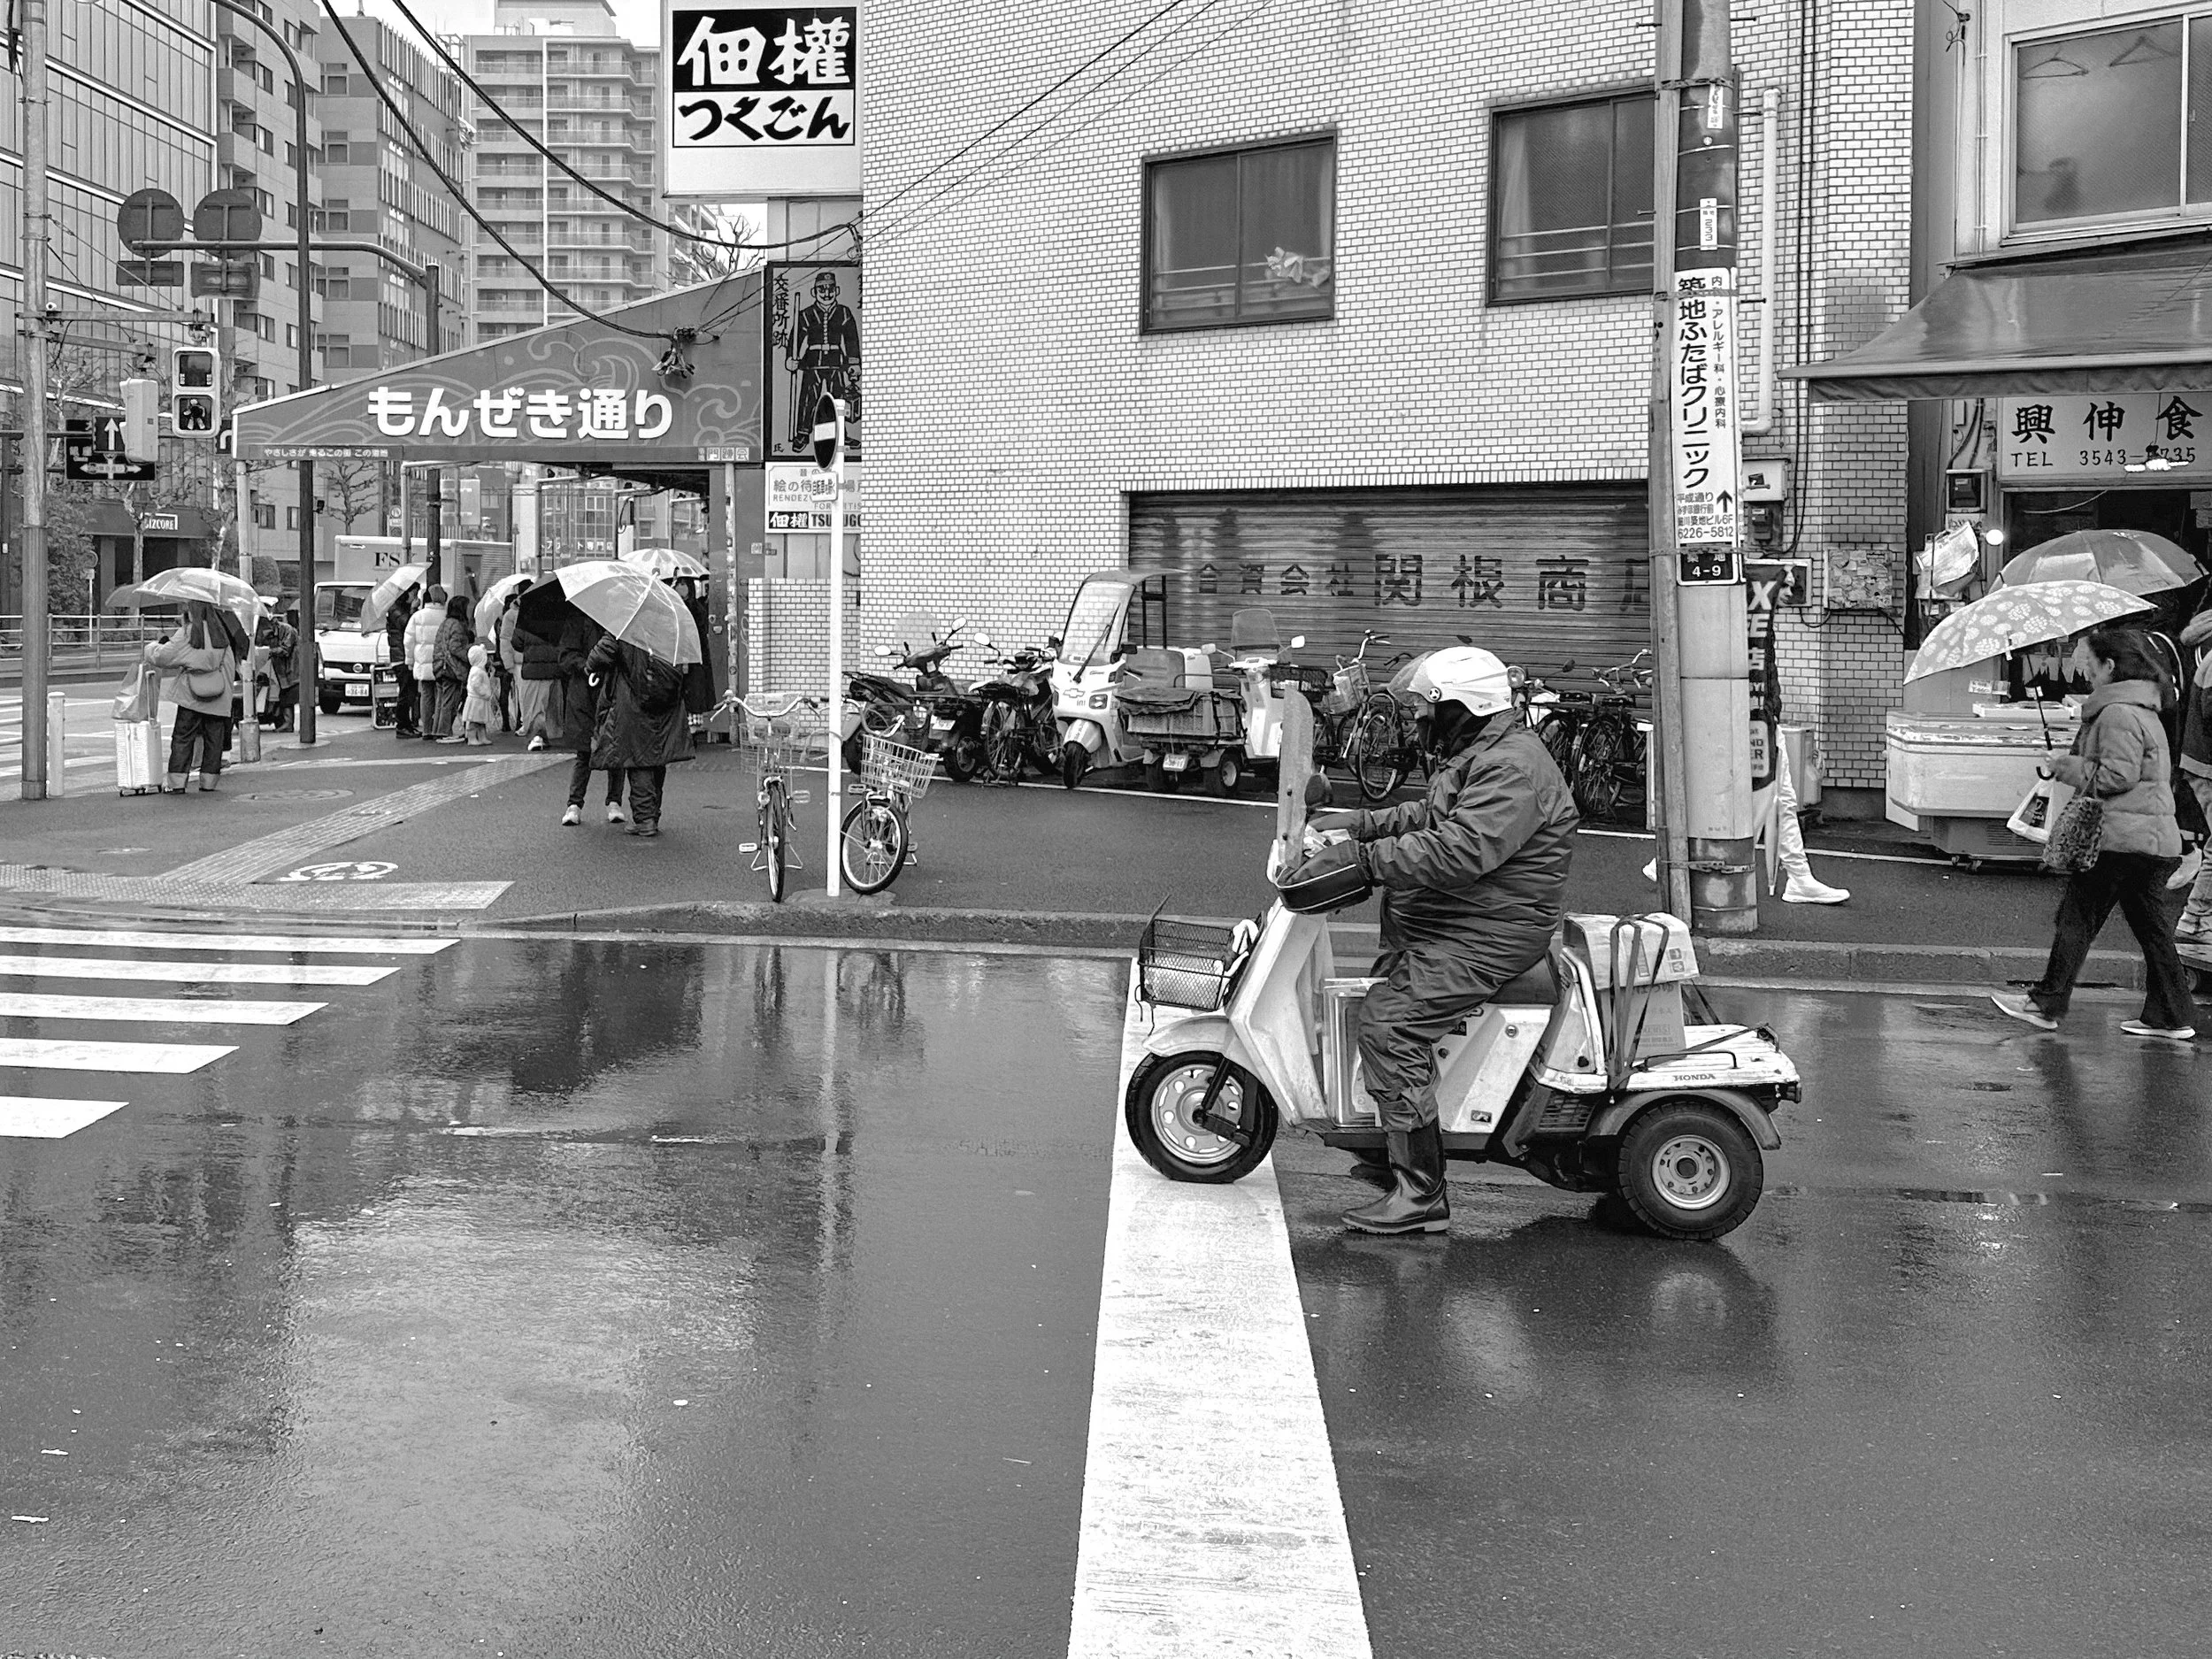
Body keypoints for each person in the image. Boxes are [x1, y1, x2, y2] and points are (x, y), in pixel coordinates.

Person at [1284, 646, 1579, 1234]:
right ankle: (1392, 1150)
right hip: (1457, 920)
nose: (1418, 721)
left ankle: (1421, 1193)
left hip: (1487, 933)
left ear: (1463, 708)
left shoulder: (1514, 765)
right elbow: (1430, 816)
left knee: (1389, 1025)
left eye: (1426, 710)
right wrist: (1357, 822)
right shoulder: (1480, 753)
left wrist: (1365, 861)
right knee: (1373, 1006)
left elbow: (1460, 849)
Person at [1993, 626, 2196, 1041]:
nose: (2084, 671)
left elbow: (2117, 776)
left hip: (2121, 837)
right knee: (2152, 931)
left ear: (2110, 666)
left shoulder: (2118, 712)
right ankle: (2171, 1016)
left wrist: (2069, 767)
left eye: (2089, 663)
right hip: (2148, 838)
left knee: (2077, 918)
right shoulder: (2140, 707)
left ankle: (2045, 1003)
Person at [586, 631, 695, 838]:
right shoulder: (670, 626)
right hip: (666, 702)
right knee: (656, 758)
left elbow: (598, 657)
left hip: (632, 702)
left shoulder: (625, 627)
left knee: (638, 760)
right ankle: (653, 814)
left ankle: (645, 820)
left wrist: (591, 666)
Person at [143, 601, 238, 794]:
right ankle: (209, 782)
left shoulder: (188, 633)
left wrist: (152, 646)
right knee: (214, 741)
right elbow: (229, 667)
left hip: (191, 696)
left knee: (182, 738)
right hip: (218, 696)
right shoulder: (221, 635)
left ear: (191, 611)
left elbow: (163, 657)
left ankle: (177, 783)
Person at [556, 612, 626, 826]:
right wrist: (586, 666)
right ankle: (574, 805)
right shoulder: (577, 620)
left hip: (611, 688)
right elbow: (565, 657)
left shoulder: (618, 621)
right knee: (584, 751)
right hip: (584, 693)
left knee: (614, 748)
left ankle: (614, 802)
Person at [2175, 606, 2212, 943]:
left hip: (2199, 760)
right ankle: (2194, 919)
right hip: (2208, 764)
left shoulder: (2203, 644)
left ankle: (2197, 919)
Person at [512, 595, 562, 751]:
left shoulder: (526, 621)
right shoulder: (557, 620)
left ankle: (537, 736)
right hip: (553, 670)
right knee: (550, 707)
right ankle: (547, 735)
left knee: (534, 708)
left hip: (532, 670)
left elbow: (516, 642)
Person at [405, 585, 447, 738]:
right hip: (441, 662)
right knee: (441, 695)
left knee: (426, 695)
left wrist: (409, 660)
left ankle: (427, 729)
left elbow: (408, 641)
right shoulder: (446, 615)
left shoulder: (418, 616)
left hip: (423, 662)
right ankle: (439, 728)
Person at [430, 594, 472, 744]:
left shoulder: (446, 623)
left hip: (439, 666)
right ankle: (444, 731)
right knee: (450, 702)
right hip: (451, 668)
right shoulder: (457, 625)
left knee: (441, 701)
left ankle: (438, 730)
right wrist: (469, 654)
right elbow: (455, 648)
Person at [257, 607, 298, 733]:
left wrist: (269, 651)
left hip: (292, 668)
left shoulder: (287, 630)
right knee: (283, 695)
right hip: (280, 669)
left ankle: (288, 723)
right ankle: (285, 722)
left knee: (288, 696)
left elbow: (285, 650)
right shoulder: (269, 632)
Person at [386, 588, 419, 738]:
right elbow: (406, 625)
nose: (415, 596)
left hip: (406, 655)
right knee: (405, 691)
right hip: (400, 656)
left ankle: (408, 724)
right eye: (414, 593)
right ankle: (402, 725)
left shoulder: (402, 608)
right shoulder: (395, 609)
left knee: (411, 691)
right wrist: (413, 609)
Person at [463, 642, 498, 746]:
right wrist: (484, 693)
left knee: (481, 721)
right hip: (476, 699)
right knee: (474, 720)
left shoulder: (478, 670)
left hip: (480, 700)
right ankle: (472, 738)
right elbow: (476, 685)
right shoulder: (477, 671)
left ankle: (482, 737)